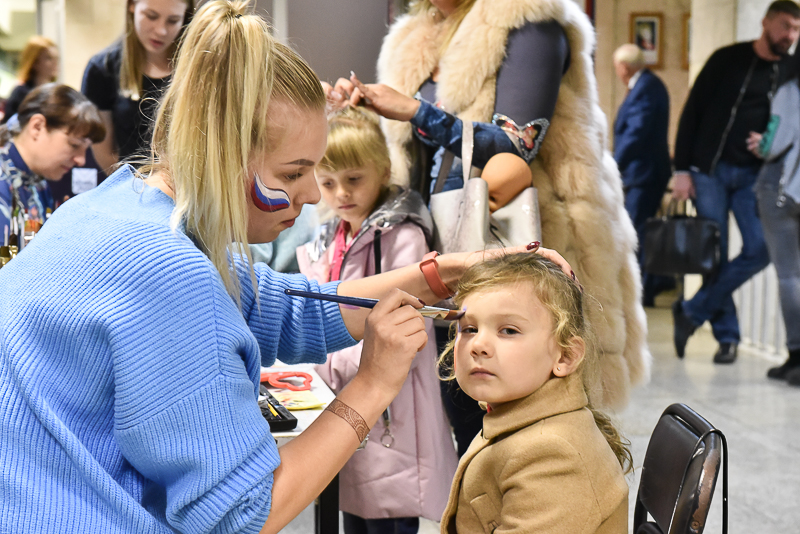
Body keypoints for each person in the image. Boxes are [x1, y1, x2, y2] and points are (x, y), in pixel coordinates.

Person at [0, 3, 571, 531]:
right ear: (224, 151)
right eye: (293, 173)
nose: (314, 195)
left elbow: (289, 308)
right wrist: (373, 385)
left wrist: (444, 273)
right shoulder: (166, 271)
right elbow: (243, 514)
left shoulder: (122, 203)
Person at [326, 0, 649, 416]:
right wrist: (359, 109)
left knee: (523, 411)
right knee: (460, 398)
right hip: (439, 246)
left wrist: (416, 110)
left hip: (515, 243)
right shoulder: (415, 35)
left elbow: (519, 143)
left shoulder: (526, 17)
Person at [297, 106, 457, 534]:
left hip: (392, 411)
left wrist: (329, 364)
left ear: (383, 171)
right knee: (354, 513)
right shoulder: (330, 236)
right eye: (327, 182)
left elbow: (408, 330)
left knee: (388, 516)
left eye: (354, 179)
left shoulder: (403, 236)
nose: (341, 194)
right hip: (346, 400)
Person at [437, 252, 631, 533]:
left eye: (508, 330)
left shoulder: (552, 454)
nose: (478, 345)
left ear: (565, 356)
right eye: (469, 329)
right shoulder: (516, 418)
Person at [671, 0, 800, 364]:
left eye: (796, 29)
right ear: (766, 23)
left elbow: (787, 121)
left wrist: (769, 143)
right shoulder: (727, 59)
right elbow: (692, 111)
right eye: (785, 26)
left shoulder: (790, 70)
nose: (790, 35)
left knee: (760, 249)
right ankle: (727, 337)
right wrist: (682, 170)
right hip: (709, 170)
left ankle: (692, 311)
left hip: (753, 177)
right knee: (715, 255)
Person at [81, 0, 195, 173]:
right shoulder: (103, 68)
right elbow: (104, 154)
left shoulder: (194, 67)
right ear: (132, 6)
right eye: (151, 16)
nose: (161, 30)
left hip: (185, 184)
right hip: (130, 184)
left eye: (173, 21)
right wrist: (138, 187)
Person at [746, 56, 800, 384]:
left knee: (790, 276)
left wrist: (760, 142)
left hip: (783, 189)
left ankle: (796, 355)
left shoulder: (791, 90)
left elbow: (776, 142)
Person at [612, 44, 674, 307]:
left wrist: (614, 164)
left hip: (644, 174)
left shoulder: (647, 87)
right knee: (640, 231)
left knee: (637, 233)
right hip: (641, 173)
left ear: (624, 67)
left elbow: (636, 133)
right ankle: (642, 289)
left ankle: (642, 291)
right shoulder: (645, 85)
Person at [0, 83, 105, 234]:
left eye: (85, 149)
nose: (81, 160)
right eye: (74, 145)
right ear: (37, 127)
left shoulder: (37, 181)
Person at [1, 36, 59, 124]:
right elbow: (8, 125)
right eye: (49, 58)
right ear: (35, 62)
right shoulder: (21, 93)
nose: (55, 63)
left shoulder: (57, 94)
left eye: (57, 58)